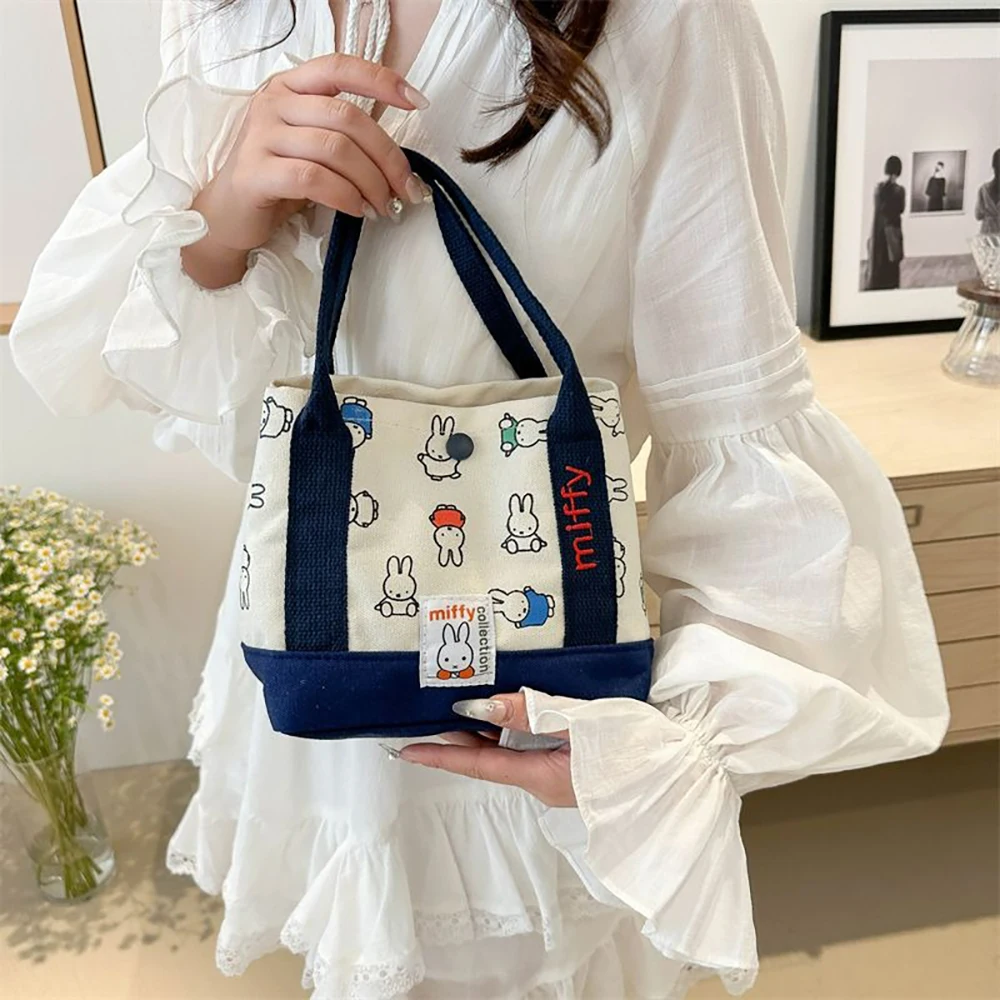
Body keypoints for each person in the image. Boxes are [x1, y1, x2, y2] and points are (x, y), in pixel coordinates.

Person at [9, 1, 950, 997]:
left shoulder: (672, 19)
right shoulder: (219, 8)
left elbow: (733, 407)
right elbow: (194, 389)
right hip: (309, 635)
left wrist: (665, 751)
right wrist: (225, 208)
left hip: (533, 725)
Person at [866, 155, 907, 291]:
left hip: (879, 230)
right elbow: (901, 209)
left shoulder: (878, 188)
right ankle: (891, 286)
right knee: (892, 261)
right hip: (892, 229)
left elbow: (878, 208)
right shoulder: (899, 190)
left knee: (879, 259)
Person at [975, 148, 1000, 235]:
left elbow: (978, 215)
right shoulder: (983, 189)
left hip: (987, 233)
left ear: (993, 166)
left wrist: (989, 215)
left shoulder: (983, 189)